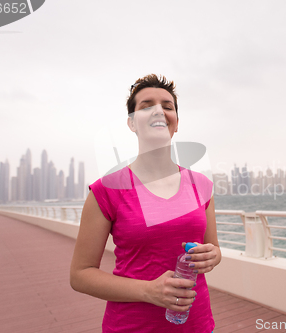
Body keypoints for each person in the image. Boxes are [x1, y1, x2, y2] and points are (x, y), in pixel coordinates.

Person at [70, 74, 220, 332]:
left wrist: (214, 256)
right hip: (131, 326)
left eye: (167, 106)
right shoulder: (106, 190)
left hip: (196, 324)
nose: (158, 111)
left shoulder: (202, 185)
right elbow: (80, 275)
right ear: (132, 123)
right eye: (146, 105)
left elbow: (213, 249)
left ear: (176, 123)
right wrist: (147, 291)